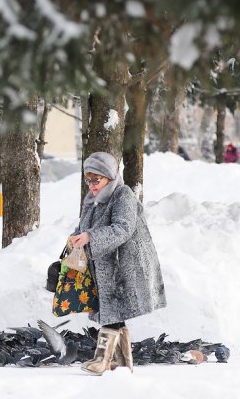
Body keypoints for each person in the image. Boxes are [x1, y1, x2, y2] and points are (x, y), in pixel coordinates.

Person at [70, 152, 167, 376]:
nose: (92, 185)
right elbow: (85, 226)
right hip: (103, 263)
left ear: (109, 177)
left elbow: (123, 228)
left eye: (96, 179)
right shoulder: (92, 200)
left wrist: (91, 237)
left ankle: (102, 360)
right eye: (88, 179)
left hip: (124, 264)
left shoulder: (123, 195)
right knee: (113, 310)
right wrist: (77, 237)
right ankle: (122, 363)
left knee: (112, 310)